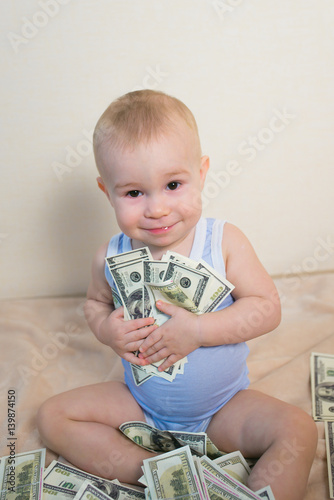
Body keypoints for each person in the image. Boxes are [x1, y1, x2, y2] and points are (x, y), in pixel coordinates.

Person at [37, 89, 317, 500]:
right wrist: (106, 329)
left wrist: (200, 330)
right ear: (106, 190)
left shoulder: (223, 242)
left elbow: (267, 308)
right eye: (134, 193)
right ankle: (154, 474)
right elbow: (95, 304)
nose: (156, 208)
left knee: (298, 429)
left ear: (201, 173)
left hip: (222, 409)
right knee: (52, 417)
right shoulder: (110, 256)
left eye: (172, 185)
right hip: (142, 411)